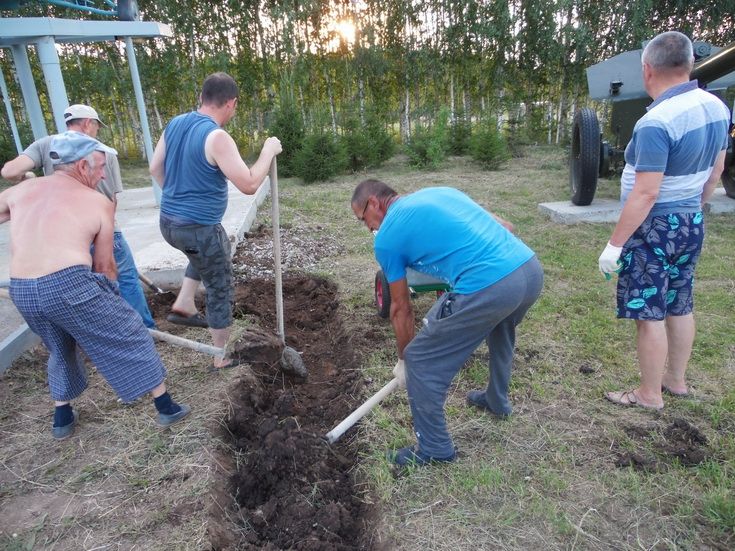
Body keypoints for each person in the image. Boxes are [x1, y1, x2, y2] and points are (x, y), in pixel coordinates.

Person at [0, 132, 191, 439]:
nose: (104, 174)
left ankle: (62, 418)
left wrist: (24, 198)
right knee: (130, 331)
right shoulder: (97, 202)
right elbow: (104, 267)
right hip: (68, 283)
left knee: (59, 345)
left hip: (23, 290)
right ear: (81, 165)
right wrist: (113, 305)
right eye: (100, 167)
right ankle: (166, 407)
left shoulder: (21, 192)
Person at [351, 180, 544, 466]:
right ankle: (496, 400)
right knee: (501, 324)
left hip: (491, 284)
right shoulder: (439, 192)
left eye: (362, 218)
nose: (367, 228)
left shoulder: (386, 238)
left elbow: (401, 308)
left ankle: (435, 449)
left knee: (421, 358)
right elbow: (507, 226)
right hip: (529, 271)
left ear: (375, 204)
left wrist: (406, 359)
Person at [599, 31, 730, 410]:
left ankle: (649, 393)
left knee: (648, 311)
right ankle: (676, 381)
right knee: (680, 302)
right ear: (688, 65)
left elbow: (646, 192)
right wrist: (693, 207)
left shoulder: (658, 120)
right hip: (690, 221)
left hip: (654, 226)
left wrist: (615, 244)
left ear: (647, 69)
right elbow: (716, 170)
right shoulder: (717, 107)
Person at [150, 72, 282, 370]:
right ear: (231, 103)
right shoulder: (217, 137)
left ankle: (184, 302)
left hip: (169, 223)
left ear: (202, 98)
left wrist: (176, 194)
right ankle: (220, 356)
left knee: (206, 249)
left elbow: (155, 167)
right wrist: (268, 151)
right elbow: (248, 184)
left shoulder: (175, 124)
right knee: (220, 284)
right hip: (197, 227)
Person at [1, 104, 157, 329]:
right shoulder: (101, 152)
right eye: (96, 126)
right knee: (125, 279)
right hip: (100, 228)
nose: (96, 131)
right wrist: (105, 237)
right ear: (87, 123)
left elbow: (9, 171)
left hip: (64, 237)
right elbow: (111, 200)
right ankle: (143, 329)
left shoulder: (47, 145)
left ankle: (97, 329)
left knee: (81, 288)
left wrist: (31, 180)